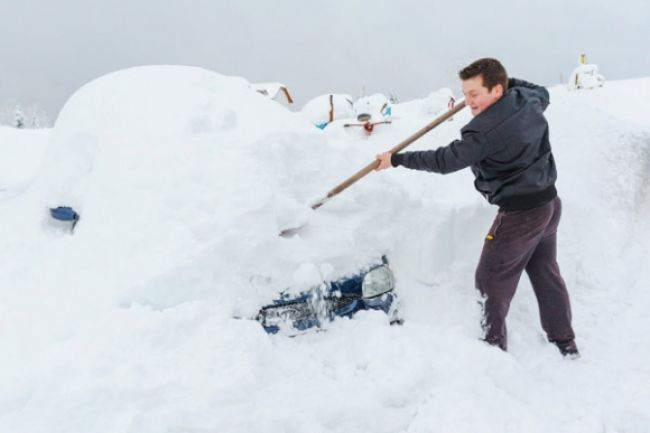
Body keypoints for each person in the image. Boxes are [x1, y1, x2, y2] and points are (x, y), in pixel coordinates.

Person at [375, 58, 578, 357]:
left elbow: (445, 161)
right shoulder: (528, 100)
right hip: (548, 203)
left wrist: (396, 159)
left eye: (474, 94)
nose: (467, 102)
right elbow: (539, 90)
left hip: (520, 215)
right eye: (465, 94)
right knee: (546, 272)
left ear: (497, 90)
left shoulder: (485, 132)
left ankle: (492, 350)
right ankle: (565, 342)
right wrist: (505, 83)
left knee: (490, 280)